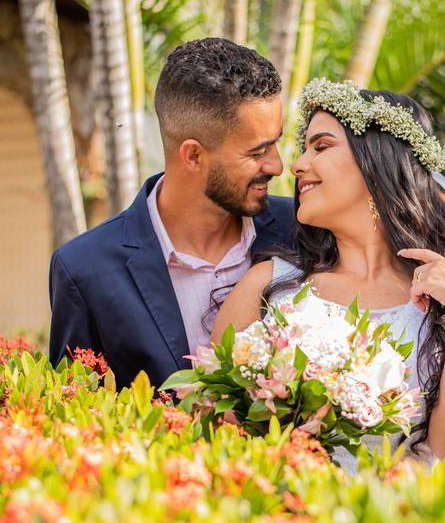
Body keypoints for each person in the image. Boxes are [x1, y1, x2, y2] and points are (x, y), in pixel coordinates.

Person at [212, 79, 445, 473]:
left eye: (321, 146)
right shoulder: (267, 286)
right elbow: (215, 432)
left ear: (377, 161)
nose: (297, 166)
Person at [48, 38, 297, 388]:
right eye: (257, 152)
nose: (277, 166)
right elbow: (75, 408)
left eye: (276, 143)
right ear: (193, 156)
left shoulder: (302, 227)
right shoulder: (83, 270)